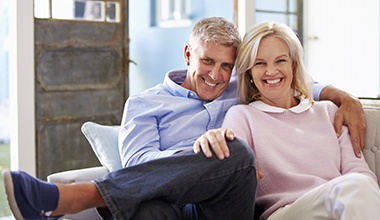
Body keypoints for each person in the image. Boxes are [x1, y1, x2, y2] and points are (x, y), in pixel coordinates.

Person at [2, 17, 367, 220]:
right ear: (188, 53)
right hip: (171, 204)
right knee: (149, 212)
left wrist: (341, 96)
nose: (216, 75)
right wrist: (196, 153)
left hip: (225, 209)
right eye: (207, 62)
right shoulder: (145, 105)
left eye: (227, 66)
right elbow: (139, 165)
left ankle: (79, 197)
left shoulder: (240, 89)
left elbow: (290, 83)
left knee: (236, 154)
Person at [195, 21, 380, 220]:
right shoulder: (242, 116)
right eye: (260, 63)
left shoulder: (328, 111)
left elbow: (361, 174)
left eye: (280, 61)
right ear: (249, 72)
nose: (271, 71)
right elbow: (234, 168)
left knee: (359, 184)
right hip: (284, 213)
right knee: (356, 187)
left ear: (293, 64)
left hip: (340, 206)